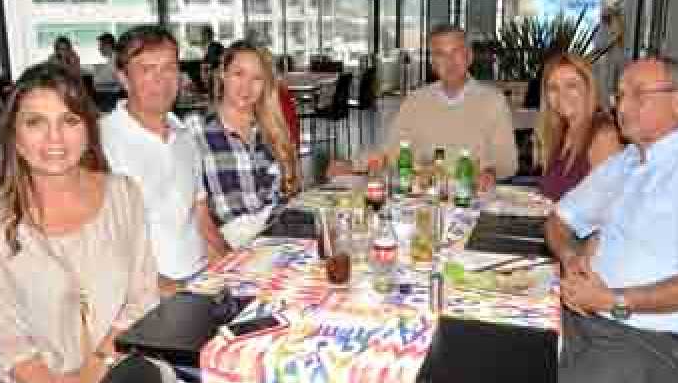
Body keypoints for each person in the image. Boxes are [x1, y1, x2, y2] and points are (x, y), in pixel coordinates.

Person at [480, 56, 678, 383]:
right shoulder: (625, 163)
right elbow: (559, 221)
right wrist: (571, 256)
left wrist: (613, 299)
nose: (623, 106)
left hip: (654, 343)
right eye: (620, 94)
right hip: (584, 316)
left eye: (639, 95)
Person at [0, 62, 159, 383]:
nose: (54, 138)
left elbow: (142, 301)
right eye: (35, 122)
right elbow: (5, 337)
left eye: (69, 121)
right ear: (15, 137)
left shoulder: (124, 194)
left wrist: (91, 374)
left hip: (121, 369)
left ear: (88, 130)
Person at [100, 25, 222, 294]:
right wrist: (173, 292)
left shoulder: (186, 136)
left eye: (169, 68)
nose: (161, 80)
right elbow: (106, 247)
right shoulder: (101, 143)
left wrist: (234, 269)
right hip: (145, 294)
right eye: (146, 70)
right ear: (123, 78)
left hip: (201, 279)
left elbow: (201, 217)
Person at [330, 24, 518, 190]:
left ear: (469, 56)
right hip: (424, 196)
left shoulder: (493, 101)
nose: (450, 61)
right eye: (440, 54)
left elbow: (508, 161)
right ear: (432, 63)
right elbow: (391, 151)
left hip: (471, 195)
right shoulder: (416, 101)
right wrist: (352, 164)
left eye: (456, 52)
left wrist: (490, 173)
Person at [187, 43, 299, 248]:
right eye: (238, 74)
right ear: (222, 74)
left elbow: (287, 197)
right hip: (228, 245)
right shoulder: (195, 130)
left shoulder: (272, 128)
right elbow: (191, 211)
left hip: (279, 239)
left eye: (257, 78)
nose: (246, 87)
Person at [537, 53, 623, 201]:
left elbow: (609, 206)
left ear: (588, 87)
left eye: (571, 85)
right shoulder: (559, 133)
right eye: (553, 88)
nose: (561, 94)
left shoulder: (603, 136)